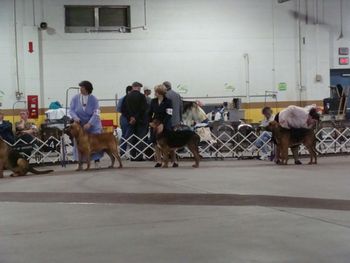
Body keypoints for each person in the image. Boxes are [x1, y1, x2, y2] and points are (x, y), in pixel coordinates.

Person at [69, 80, 103, 167]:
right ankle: (79, 162)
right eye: (80, 87)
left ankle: (96, 161)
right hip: (80, 124)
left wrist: (90, 124)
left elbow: (96, 113)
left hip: (93, 124)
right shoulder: (75, 98)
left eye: (82, 87)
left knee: (96, 142)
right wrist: (76, 118)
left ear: (87, 88)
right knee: (79, 143)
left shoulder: (94, 99)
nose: (80, 89)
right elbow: (71, 110)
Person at [121, 81, 148, 161]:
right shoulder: (142, 96)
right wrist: (135, 117)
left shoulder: (126, 97)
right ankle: (139, 156)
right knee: (140, 138)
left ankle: (132, 156)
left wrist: (130, 118)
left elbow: (123, 109)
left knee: (132, 138)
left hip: (131, 122)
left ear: (133, 87)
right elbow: (143, 109)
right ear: (139, 87)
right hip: (141, 121)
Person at [149, 84, 173, 167]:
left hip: (165, 123)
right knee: (155, 142)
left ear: (160, 92)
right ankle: (159, 161)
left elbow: (169, 114)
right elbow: (149, 113)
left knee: (168, 143)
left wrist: (162, 124)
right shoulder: (153, 101)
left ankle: (173, 161)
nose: (154, 93)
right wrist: (150, 122)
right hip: (155, 124)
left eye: (155, 91)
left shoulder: (168, 101)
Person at [116, 85, 133, 155]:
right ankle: (127, 152)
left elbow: (118, 109)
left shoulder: (121, 99)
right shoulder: (124, 99)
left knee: (124, 135)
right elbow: (120, 109)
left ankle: (122, 152)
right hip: (125, 118)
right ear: (129, 91)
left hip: (123, 118)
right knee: (127, 135)